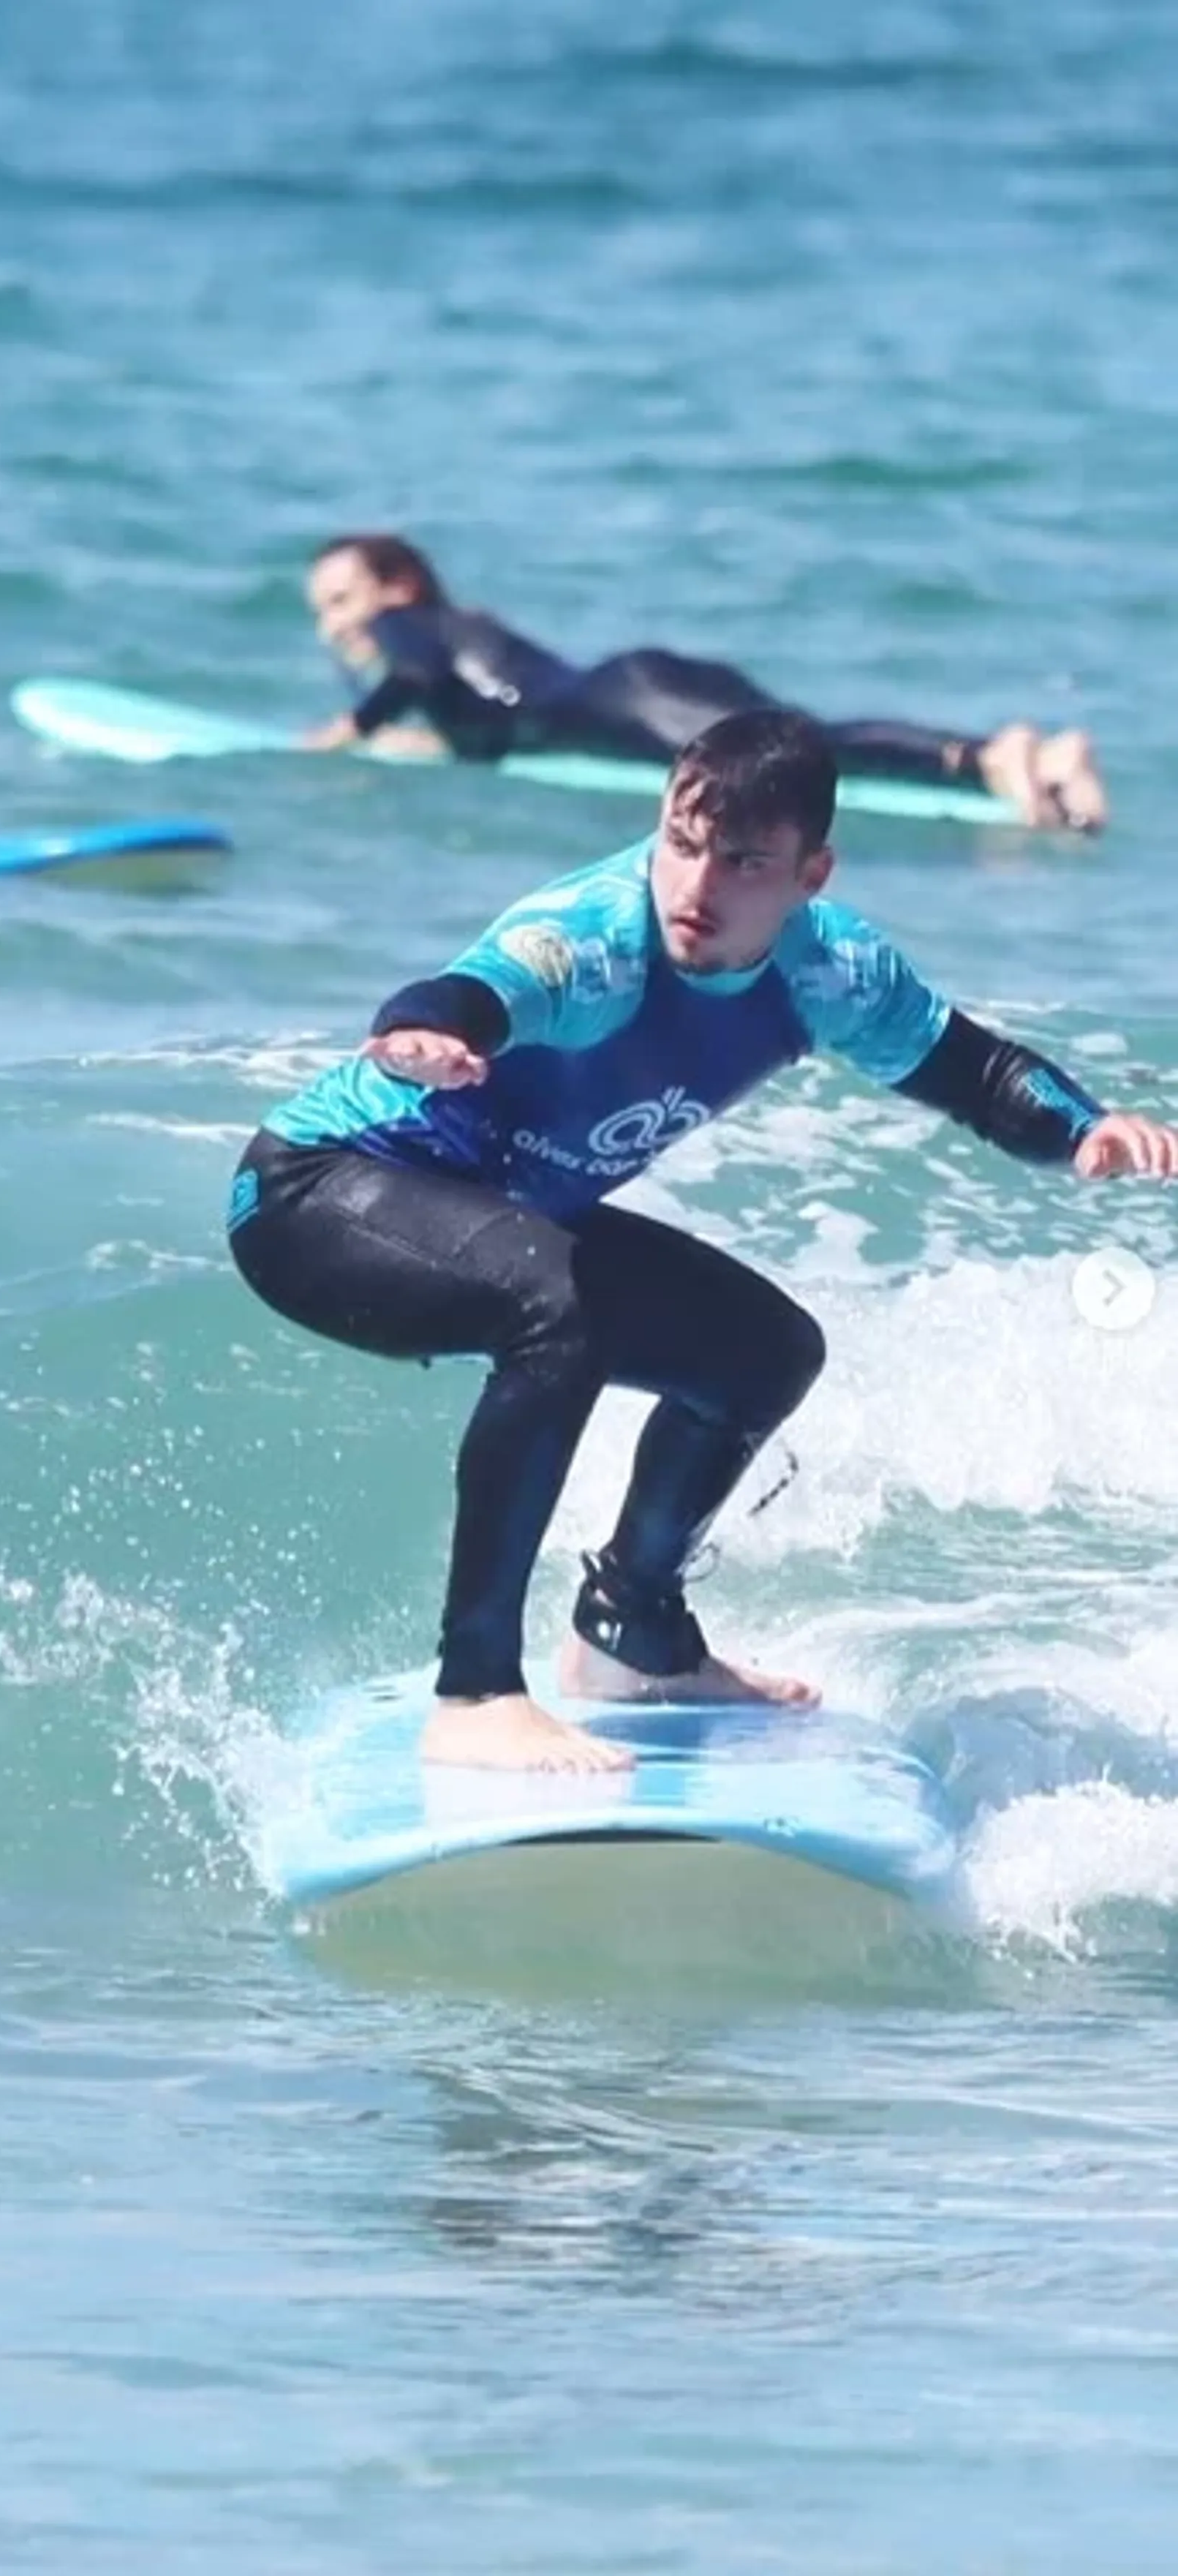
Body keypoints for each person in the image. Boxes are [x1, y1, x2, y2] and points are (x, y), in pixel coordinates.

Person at [224, 710, 1175, 1774]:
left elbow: (979, 1074)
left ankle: (633, 1632)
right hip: (317, 1197)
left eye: (743, 861)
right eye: (681, 843)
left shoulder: (830, 971)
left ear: (812, 871)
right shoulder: (593, 939)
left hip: (507, 1224)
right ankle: (477, 1690)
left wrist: (1087, 1127)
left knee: (764, 1354)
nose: (696, 886)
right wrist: (431, 1033)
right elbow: (476, 992)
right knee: (557, 1305)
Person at [301, 532, 1108, 833]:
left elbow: (413, 674)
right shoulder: (462, 634)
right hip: (637, 683)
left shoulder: (407, 629)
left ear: (399, 585)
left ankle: (992, 755)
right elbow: (474, 714)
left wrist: (355, 730)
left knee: (799, 748)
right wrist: (421, 740)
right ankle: (1039, 763)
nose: (335, 623)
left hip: (625, 696)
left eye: (343, 600)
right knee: (801, 737)